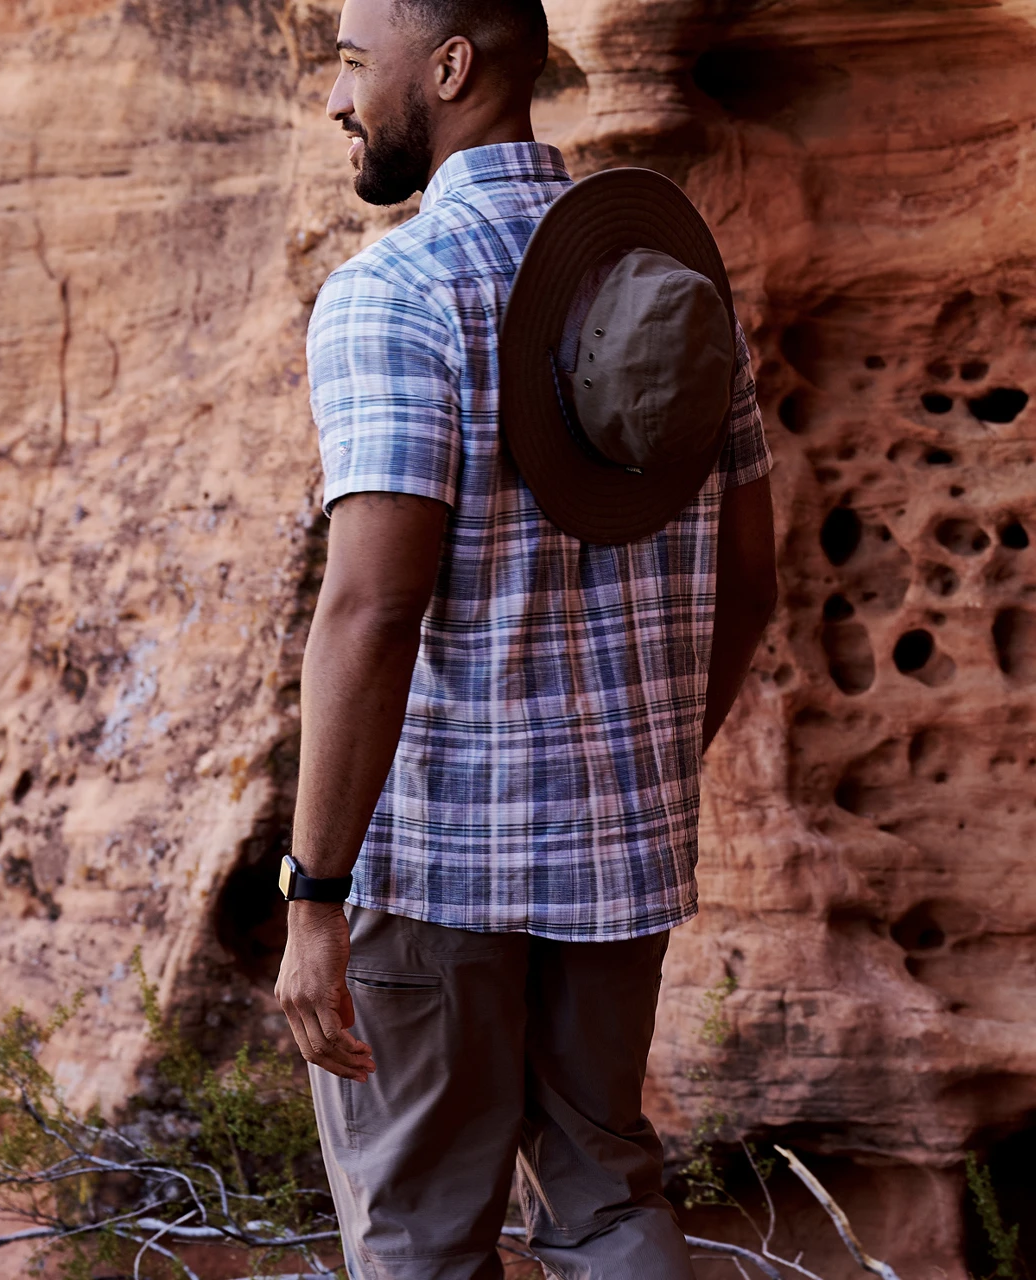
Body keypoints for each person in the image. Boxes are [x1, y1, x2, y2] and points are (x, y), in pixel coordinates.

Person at [274, 0, 778, 1275]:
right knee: (606, 1197)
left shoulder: (394, 291)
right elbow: (749, 579)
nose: (334, 99)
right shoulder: (671, 287)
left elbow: (372, 607)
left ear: (450, 68)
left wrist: (314, 895)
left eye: (352, 64)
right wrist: (643, 769)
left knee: (420, 1235)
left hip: (433, 869)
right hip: (616, 858)